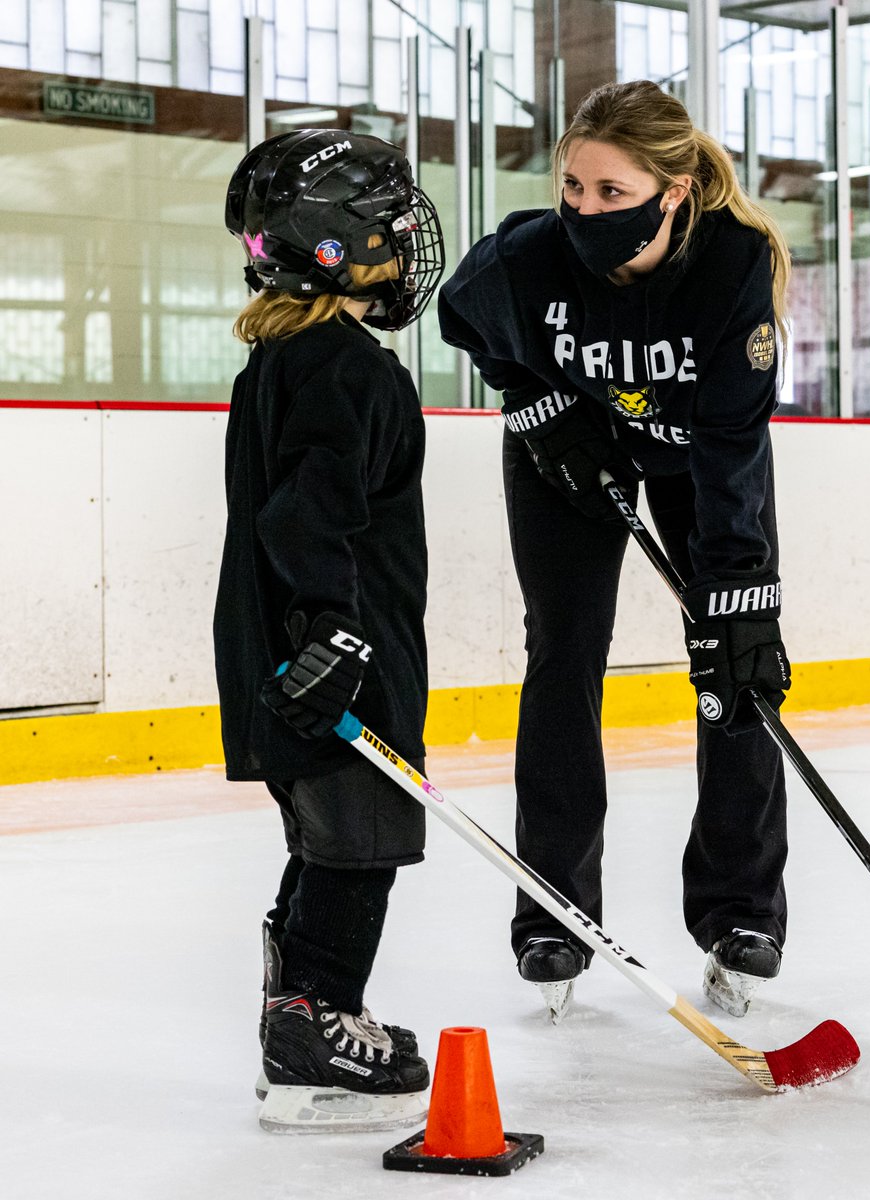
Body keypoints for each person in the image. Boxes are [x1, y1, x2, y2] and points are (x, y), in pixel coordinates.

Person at [438, 80, 792, 1021]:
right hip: (567, 453)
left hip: (695, 460)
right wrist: (537, 404)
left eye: (611, 192)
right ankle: (553, 911)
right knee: (563, 652)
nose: (585, 210)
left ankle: (740, 910)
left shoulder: (731, 262)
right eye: (573, 187)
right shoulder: (527, 255)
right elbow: (462, 315)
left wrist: (739, 588)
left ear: (674, 191)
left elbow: (734, 439)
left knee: (734, 664)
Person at [214, 128, 445, 1132]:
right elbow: (309, 515)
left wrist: (311, 638)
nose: (409, 243)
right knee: (361, 842)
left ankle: (303, 1012)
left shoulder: (281, 360)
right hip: (340, 656)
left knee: (328, 841)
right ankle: (315, 1021)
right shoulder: (348, 367)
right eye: (391, 226)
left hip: (287, 656)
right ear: (334, 245)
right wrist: (335, 634)